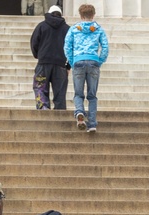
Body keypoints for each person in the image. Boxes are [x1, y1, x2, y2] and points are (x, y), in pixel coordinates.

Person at [64, 4, 108, 133]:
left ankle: (79, 112)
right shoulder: (99, 29)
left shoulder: (73, 29)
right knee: (92, 96)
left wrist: (72, 62)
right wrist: (100, 61)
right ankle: (92, 124)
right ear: (93, 15)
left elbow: (67, 47)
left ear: (80, 15)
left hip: (78, 61)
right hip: (93, 61)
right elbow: (105, 47)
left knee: (78, 93)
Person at [31, 5, 70, 111]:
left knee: (40, 88)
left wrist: (38, 55)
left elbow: (34, 43)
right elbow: (71, 48)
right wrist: (68, 66)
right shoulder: (67, 29)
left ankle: (43, 110)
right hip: (61, 65)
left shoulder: (41, 26)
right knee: (60, 93)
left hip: (43, 64)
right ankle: (60, 115)